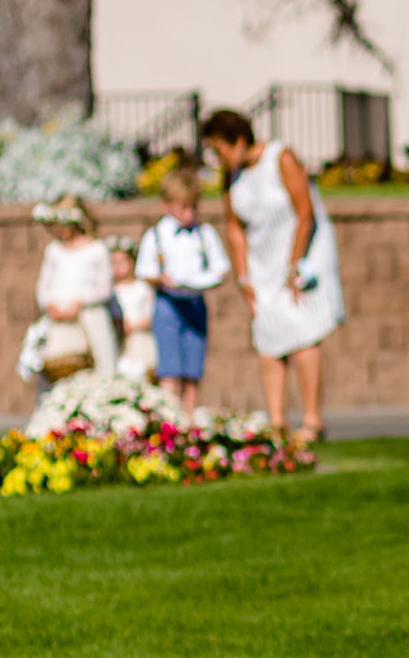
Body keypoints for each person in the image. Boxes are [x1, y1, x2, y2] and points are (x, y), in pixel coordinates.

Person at [200, 109, 346, 441]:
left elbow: (305, 213)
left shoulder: (281, 157)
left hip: (299, 258)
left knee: (304, 334)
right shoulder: (232, 176)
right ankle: (277, 421)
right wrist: (244, 277)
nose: (216, 158)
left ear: (238, 140)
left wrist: (294, 266)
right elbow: (235, 229)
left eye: (218, 149)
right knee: (268, 339)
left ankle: (312, 421)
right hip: (262, 265)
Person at [136, 166, 230, 408]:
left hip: (195, 302)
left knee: (193, 367)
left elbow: (220, 267)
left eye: (193, 207)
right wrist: (161, 278)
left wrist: (210, 277)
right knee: (170, 368)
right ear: (167, 205)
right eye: (183, 207)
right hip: (168, 303)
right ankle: (171, 420)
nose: (189, 214)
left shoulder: (204, 233)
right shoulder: (156, 235)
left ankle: (189, 419)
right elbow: (144, 270)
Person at [28, 196, 117, 386]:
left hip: (89, 316)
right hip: (59, 319)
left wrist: (79, 302)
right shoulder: (54, 250)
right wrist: (51, 305)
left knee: (101, 368)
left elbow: (104, 287)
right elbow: (43, 287)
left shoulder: (97, 249)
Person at [106, 236, 158, 384]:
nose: (118, 266)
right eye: (113, 262)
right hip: (120, 342)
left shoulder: (142, 288)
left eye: (122, 261)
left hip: (140, 340)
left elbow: (151, 315)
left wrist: (133, 325)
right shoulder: (109, 291)